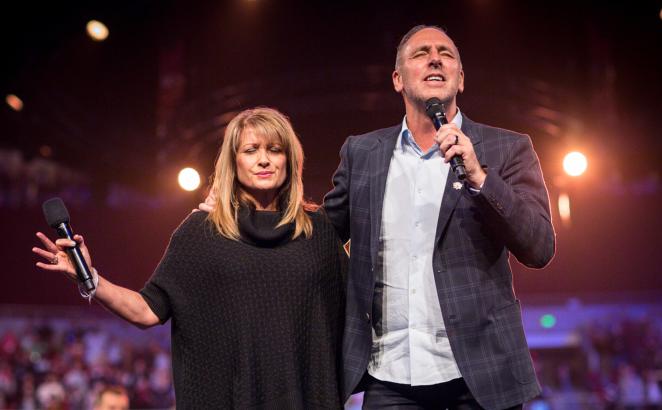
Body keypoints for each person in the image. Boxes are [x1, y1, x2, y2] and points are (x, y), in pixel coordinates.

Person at [33, 107, 347, 409]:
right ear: (232, 161)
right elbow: (147, 310)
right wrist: (90, 277)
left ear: (290, 160)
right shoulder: (201, 232)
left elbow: (357, 313)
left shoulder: (318, 233)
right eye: (251, 150)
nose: (264, 160)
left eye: (275, 149)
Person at [322, 25, 556, 409]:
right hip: (390, 374)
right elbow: (319, 235)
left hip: (481, 374)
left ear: (460, 79)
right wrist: (237, 211)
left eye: (446, 53)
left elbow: (540, 247)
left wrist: (480, 176)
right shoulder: (362, 153)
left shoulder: (507, 148)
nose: (435, 58)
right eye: (420, 53)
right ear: (397, 80)